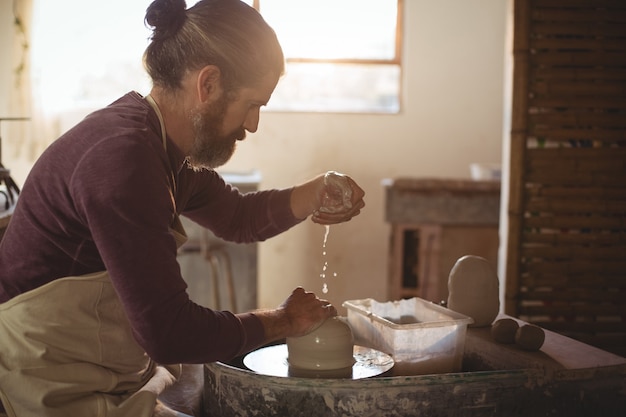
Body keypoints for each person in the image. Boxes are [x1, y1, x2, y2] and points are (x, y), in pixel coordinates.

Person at [0, 1, 365, 416]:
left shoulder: (159, 146)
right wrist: (280, 321)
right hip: (44, 383)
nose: (253, 124)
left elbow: (238, 217)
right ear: (207, 84)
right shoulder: (122, 160)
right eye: (251, 104)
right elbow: (169, 333)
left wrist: (315, 191)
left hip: (102, 370)